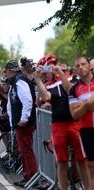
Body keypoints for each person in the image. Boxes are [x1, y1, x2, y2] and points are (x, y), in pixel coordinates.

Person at [35, 54, 92, 190]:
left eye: (48, 69)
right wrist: (37, 79)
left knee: (81, 160)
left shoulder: (73, 78)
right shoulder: (48, 85)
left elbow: (70, 90)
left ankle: (87, 187)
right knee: (61, 161)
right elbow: (46, 97)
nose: (46, 73)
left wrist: (60, 73)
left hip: (76, 123)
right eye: (45, 70)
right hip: (58, 125)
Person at [3, 60, 38, 187]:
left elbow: (27, 100)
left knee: (26, 150)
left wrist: (24, 118)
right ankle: (27, 175)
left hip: (24, 123)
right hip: (19, 122)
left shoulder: (19, 81)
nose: (4, 73)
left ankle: (32, 175)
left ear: (10, 70)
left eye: (5, 70)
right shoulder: (15, 81)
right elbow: (11, 103)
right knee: (23, 150)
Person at [69, 54, 94, 189]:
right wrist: (87, 105)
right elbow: (74, 114)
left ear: (89, 66)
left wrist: (83, 104)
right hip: (86, 129)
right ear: (75, 70)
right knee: (91, 166)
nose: (81, 67)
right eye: (77, 66)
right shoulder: (74, 89)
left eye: (83, 64)